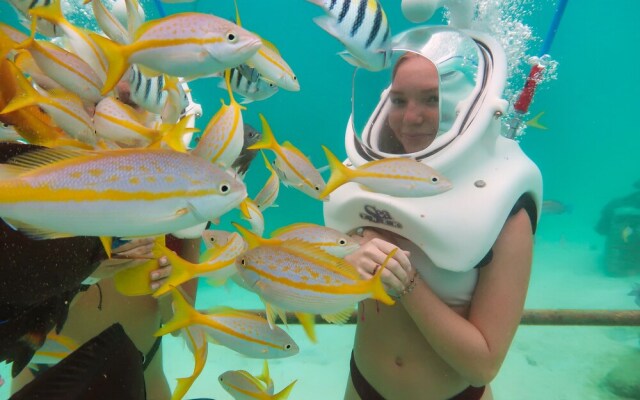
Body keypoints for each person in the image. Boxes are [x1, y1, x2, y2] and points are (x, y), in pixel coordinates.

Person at [323, 26, 542, 400]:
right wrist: (345, 263)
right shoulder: (366, 184)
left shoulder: (504, 211)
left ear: (463, 104)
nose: (412, 118)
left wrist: (406, 283)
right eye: (399, 100)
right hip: (361, 386)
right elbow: (328, 296)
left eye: (431, 99)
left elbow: (483, 366)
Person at [10, 235, 200, 400]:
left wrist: (168, 289)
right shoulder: (42, 205)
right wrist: (86, 275)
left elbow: (178, 327)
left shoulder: (183, 208)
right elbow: (21, 311)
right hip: (45, 377)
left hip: (144, 381)